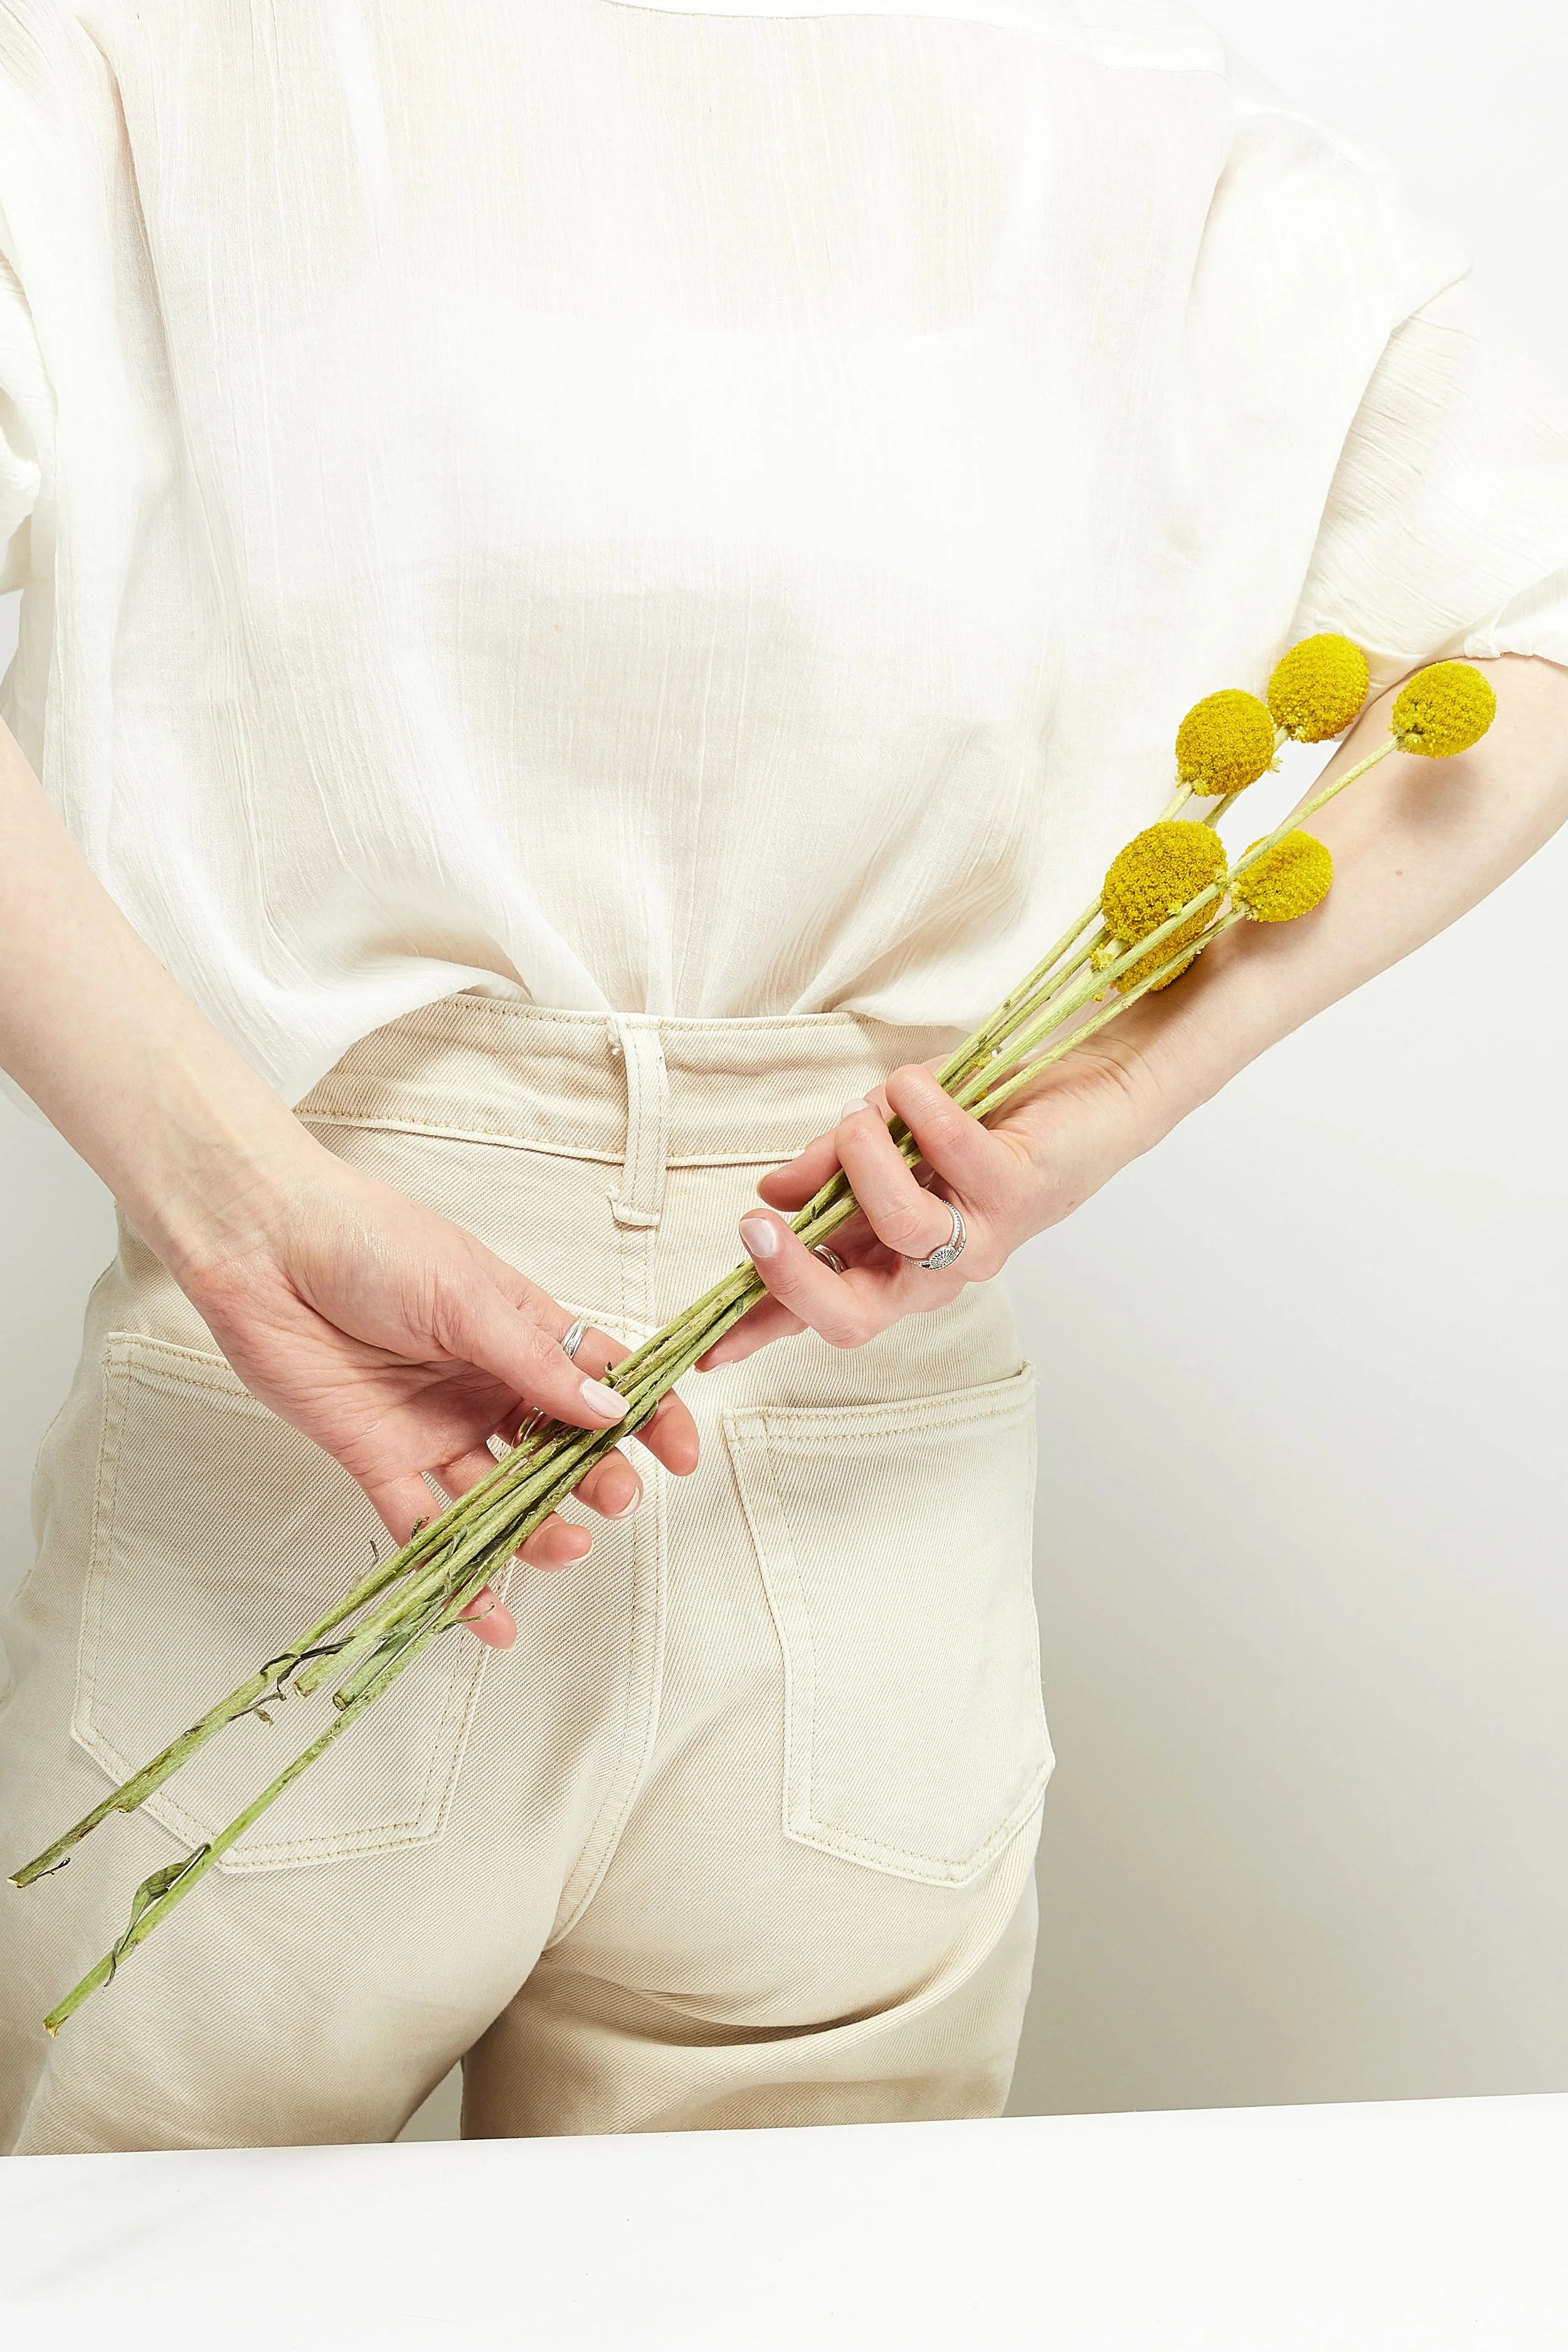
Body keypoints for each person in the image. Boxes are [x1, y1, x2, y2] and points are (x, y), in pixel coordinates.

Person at [1, 0, 1565, 2156]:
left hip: (313, 1417)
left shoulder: (140, 66)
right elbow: (1528, 632)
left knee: (130, 2289)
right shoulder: (1153, 129)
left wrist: (247, 1213)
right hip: (863, 1431)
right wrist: (1090, 1106)